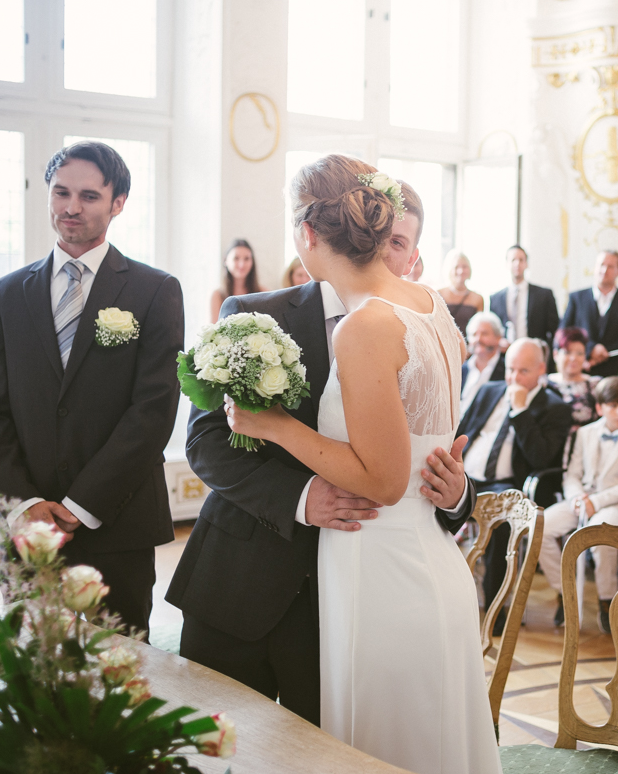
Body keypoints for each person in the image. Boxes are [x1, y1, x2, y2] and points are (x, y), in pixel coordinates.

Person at [213, 157, 499, 773]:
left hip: (382, 569)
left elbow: (386, 480)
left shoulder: (364, 325)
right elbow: (428, 439)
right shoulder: (426, 301)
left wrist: (276, 425)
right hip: (423, 565)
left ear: (307, 234)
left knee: (380, 753)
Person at [0, 141, 184, 636]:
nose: (71, 207)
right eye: (61, 192)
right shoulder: (7, 293)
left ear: (118, 202)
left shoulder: (155, 290)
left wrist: (80, 505)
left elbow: (153, 410)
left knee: (122, 665)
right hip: (31, 526)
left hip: (119, 521)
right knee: (30, 664)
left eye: (89, 196)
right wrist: (25, 504)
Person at [458, 337, 573, 611]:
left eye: (523, 371)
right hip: (466, 474)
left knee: (500, 515)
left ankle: (496, 609)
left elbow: (540, 457)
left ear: (541, 369)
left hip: (507, 483)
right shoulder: (489, 390)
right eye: (510, 369)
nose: (514, 377)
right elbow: (462, 431)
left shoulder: (555, 407)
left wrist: (521, 411)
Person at [539, 377, 618, 633]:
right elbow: (572, 474)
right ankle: (564, 592)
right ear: (600, 408)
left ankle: (606, 599)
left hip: (617, 503)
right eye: (613, 405)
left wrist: (596, 502)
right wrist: (578, 498)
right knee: (540, 528)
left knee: (601, 531)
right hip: (582, 499)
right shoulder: (584, 432)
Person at [560, 250, 618, 377]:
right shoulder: (577, 298)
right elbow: (565, 331)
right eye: (601, 265)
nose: (604, 270)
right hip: (582, 367)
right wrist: (591, 349)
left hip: (616, 370)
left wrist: (604, 352)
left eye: (610, 266)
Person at [490, 245, 560, 349]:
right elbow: (492, 330)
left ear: (526, 264)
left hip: (535, 353)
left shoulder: (544, 295)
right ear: (506, 264)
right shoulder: (495, 299)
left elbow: (555, 329)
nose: (517, 264)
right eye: (513, 260)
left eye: (521, 260)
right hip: (505, 355)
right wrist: (499, 341)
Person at [547, 326, 602, 433]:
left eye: (579, 353)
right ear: (555, 354)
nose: (574, 358)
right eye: (567, 352)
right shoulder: (545, 384)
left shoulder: (595, 385)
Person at [461, 311, 505, 414]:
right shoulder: (460, 370)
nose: (478, 339)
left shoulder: (507, 371)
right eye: (474, 334)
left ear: (498, 337)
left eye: (484, 334)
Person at [210, 238, 263, 322]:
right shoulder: (218, 295)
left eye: (246, 259)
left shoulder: (263, 293)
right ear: (226, 261)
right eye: (236, 258)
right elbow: (213, 330)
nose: (241, 264)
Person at [438, 249, 485, 335]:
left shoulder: (478, 298)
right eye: (456, 267)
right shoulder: (439, 294)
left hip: (469, 345)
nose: (461, 271)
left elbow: (479, 329)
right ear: (449, 270)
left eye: (464, 267)